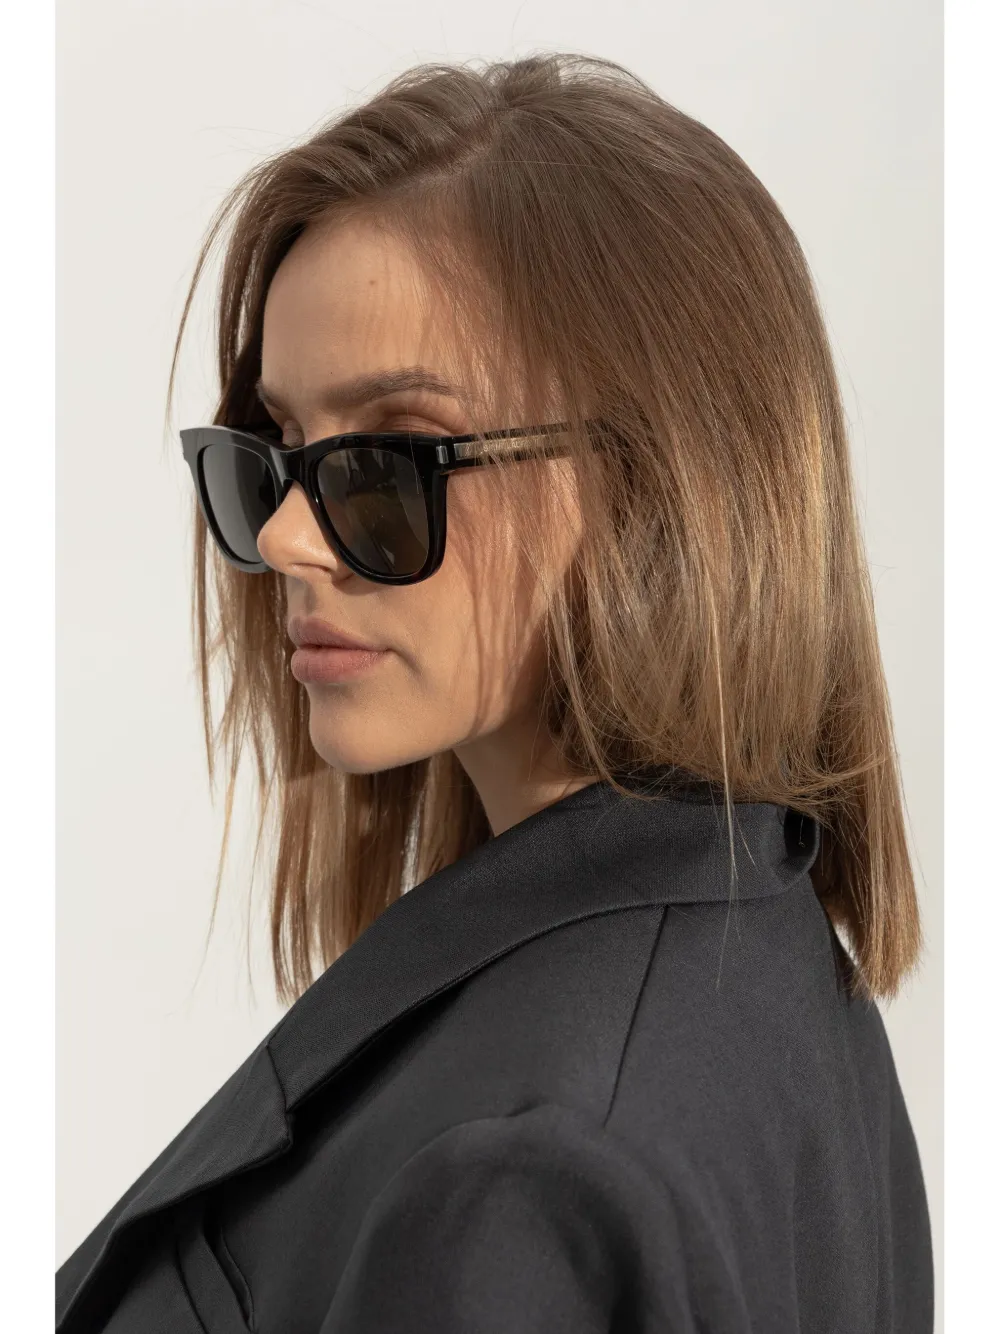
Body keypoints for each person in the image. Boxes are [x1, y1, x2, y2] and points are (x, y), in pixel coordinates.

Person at [56, 52, 933, 1333]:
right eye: (277, 452)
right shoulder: (769, 966)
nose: (288, 537)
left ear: (655, 481)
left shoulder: (525, 1175)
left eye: (392, 456)